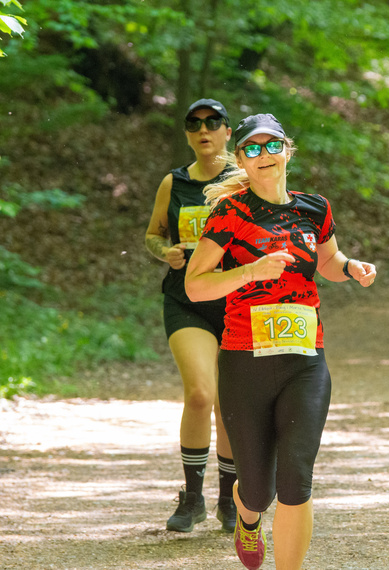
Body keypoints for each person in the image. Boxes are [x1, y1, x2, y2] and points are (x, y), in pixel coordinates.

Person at [185, 113, 377, 570]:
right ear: (240, 160)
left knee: (296, 478)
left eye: (272, 145)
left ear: (287, 150)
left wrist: (351, 268)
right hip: (244, 360)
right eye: (252, 149)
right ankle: (247, 514)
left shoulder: (315, 208)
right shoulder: (231, 214)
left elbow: (327, 261)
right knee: (258, 491)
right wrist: (250, 271)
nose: (264, 155)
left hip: (305, 360)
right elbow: (195, 285)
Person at [144, 98, 237, 533]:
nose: (204, 130)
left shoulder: (243, 180)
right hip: (186, 299)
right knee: (200, 393)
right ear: (186, 133)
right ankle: (193, 497)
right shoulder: (174, 182)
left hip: (236, 302)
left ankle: (230, 498)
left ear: (227, 132)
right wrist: (166, 252)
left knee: (228, 402)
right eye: (194, 123)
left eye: (213, 122)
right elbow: (152, 234)